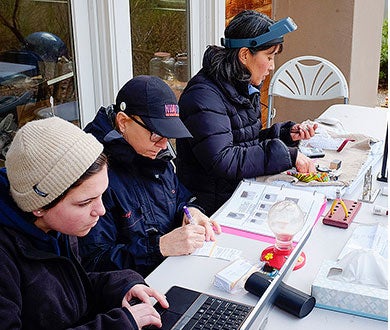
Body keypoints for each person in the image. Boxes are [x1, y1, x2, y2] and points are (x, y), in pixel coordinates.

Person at [0, 116, 169, 329]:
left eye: (101, 195)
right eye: (85, 203)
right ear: (39, 206)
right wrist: (117, 325)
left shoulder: (56, 225)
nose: (101, 210)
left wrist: (122, 286)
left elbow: (70, 289)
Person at [176, 10, 318, 216]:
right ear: (244, 55)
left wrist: (285, 135)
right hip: (210, 207)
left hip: (239, 192)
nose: (271, 66)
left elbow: (244, 141)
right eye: (268, 57)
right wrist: (286, 154)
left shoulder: (242, 83)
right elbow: (224, 159)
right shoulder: (203, 96)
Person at [78, 75, 221, 277]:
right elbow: (94, 262)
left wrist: (192, 210)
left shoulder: (152, 152)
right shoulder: (95, 172)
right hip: (133, 291)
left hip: (170, 270)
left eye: (168, 135)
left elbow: (179, 198)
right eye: (156, 134)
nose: (163, 144)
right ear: (123, 122)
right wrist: (158, 248)